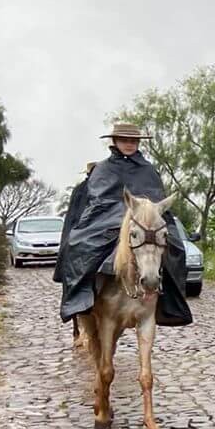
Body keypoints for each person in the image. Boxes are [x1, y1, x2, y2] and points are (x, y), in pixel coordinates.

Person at [58, 122, 192, 327]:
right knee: (77, 245)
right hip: (106, 218)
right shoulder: (102, 168)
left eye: (133, 141)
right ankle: (80, 299)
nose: (129, 144)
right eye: (125, 140)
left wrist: (145, 213)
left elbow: (156, 197)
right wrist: (121, 213)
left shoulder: (149, 169)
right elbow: (98, 198)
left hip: (145, 219)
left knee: (176, 247)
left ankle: (170, 303)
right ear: (115, 141)